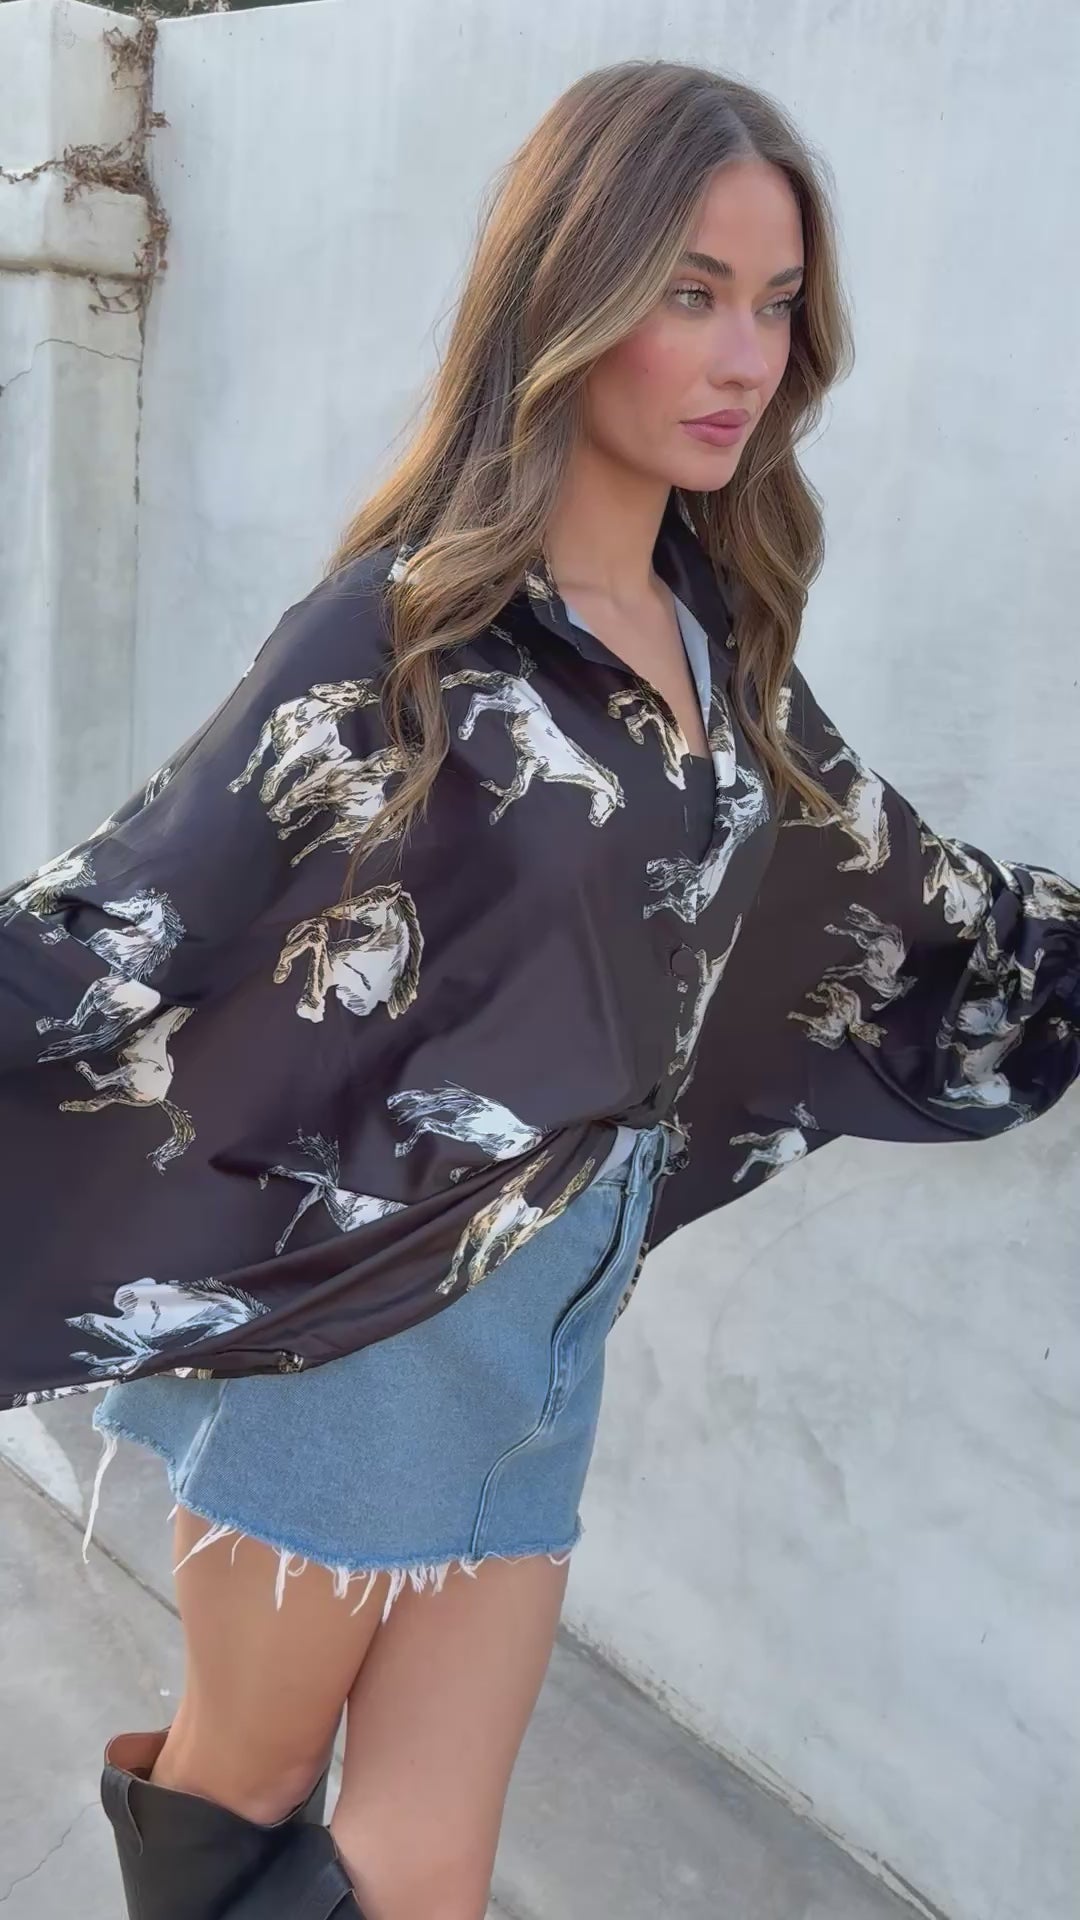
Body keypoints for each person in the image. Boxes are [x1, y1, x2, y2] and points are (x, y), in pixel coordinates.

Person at [0, 56, 1077, 1920]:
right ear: (570, 294)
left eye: (776, 304)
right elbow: (124, 915)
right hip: (358, 1330)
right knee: (240, 1812)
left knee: (425, 1875)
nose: (744, 357)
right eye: (690, 292)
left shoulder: (725, 642)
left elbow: (896, 882)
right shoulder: (406, 635)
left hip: (548, 1329)